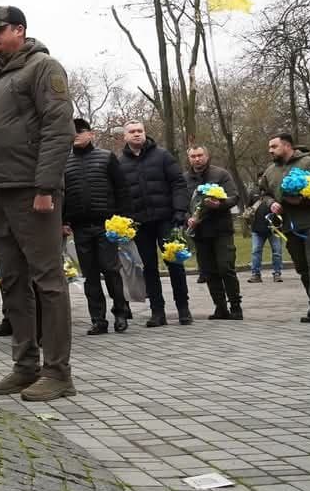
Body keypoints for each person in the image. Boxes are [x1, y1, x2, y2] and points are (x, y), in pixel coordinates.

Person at [0, 6, 76, 402]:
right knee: (12, 282)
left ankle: (58, 372)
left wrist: (46, 185)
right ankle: (25, 365)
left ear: (20, 30)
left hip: (34, 191)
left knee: (47, 280)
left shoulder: (44, 68)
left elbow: (58, 127)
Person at [62, 118, 132, 335]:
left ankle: (120, 312)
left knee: (111, 270)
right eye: (72, 132)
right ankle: (98, 319)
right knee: (90, 275)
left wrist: (123, 221)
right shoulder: (64, 162)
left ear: (90, 134)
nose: (76, 135)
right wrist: (63, 221)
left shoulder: (106, 157)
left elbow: (121, 189)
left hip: (106, 225)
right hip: (80, 227)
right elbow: (62, 195)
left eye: (80, 131)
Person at [118, 121, 192, 327]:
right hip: (140, 224)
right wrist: (124, 220)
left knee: (175, 264)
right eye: (132, 132)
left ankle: (183, 309)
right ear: (125, 137)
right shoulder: (119, 162)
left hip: (166, 219)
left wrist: (179, 211)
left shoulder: (162, 155)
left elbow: (178, 183)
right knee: (148, 268)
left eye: (140, 131)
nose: (136, 135)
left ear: (145, 133)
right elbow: (118, 194)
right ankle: (157, 312)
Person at [258, 133, 310, 324]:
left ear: (287, 146)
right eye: (269, 147)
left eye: (274, 147)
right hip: (290, 226)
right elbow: (264, 193)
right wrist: (272, 203)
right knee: (303, 267)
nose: (270, 150)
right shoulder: (270, 171)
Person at [184, 145, 242, 320]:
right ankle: (220, 307)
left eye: (200, 155)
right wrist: (188, 218)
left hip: (221, 230)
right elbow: (181, 202)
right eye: (193, 156)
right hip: (200, 233)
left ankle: (236, 306)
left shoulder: (221, 174)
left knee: (226, 268)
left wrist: (220, 204)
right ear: (189, 159)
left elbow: (233, 196)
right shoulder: (185, 179)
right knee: (209, 271)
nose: (197, 159)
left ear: (207, 156)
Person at [246, 195, 283, 283]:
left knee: (277, 252)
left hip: (274, 229)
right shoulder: (254, 192)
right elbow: (249, 208)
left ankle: (277, 273)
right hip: (257, 229)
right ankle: (256, 274)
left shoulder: (275, 192)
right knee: (256, 251)